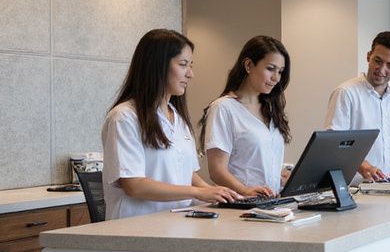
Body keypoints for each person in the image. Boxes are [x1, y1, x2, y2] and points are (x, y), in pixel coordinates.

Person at [101, 29, 241, 220]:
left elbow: (188, 175)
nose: (190, 74)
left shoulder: (178, 118)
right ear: (157, 66)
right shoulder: (124, 117)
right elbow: (134, 185)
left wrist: (220, 194)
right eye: (183, 65)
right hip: (137, 228)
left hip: (176, 223)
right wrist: (196, 192)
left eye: (191, 65)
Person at [201, 35, 292, 197]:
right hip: (241, 205)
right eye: (270, 69)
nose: (276, 78)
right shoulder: (223, 108)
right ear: (249, 65)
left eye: (280, 71)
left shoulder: (271, 110)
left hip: (271, 203)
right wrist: (245, 190)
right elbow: (217, 170)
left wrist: (280, 177)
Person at [324, 30, 390, 181]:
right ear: (368, 56)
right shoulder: (346, 93)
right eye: (377, 61)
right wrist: (363, 166)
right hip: (355, 187)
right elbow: (336, 144)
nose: (382, 70)